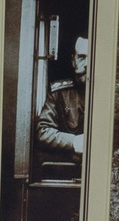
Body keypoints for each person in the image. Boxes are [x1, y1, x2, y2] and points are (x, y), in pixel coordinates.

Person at [34, 36, 89, 176]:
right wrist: (74, 142)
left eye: (93, 57)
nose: (88, 64)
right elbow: (43, 132)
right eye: (82, 57)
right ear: (73, 60)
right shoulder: (58, 94)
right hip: (65, 172)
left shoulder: (110, 95)